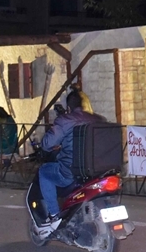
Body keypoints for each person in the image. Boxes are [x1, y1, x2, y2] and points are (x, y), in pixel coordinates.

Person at [36, 91, 104, 235]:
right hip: (97, 170)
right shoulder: (98, 119)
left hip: (71, 171)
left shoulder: (65, 120)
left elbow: (48, 143)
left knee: (44, 171)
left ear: (68, 107)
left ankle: (54, 215)